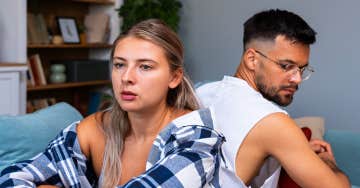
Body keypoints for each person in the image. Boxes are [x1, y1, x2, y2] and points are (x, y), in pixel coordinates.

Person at [0, 19, 224, 187]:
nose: (126, 77)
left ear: (174, 77)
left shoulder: (197, 136)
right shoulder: (96, 128)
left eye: (145, 67)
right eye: (119, 65)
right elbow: (12, 177)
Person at [196, 9, 350, 187]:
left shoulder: (201, 92)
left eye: (301, 69)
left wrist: (298, 150)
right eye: (286, 66)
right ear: (252, 59)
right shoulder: (273, 120)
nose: (297, 78)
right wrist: (328, 161)